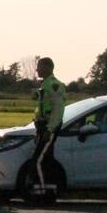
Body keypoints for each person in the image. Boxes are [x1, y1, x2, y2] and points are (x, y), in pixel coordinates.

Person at [31, 57, 66, 195]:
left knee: (37, 161)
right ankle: (50, 190)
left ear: (48, 68)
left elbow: (58, 110)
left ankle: (41, 190)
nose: (37, 69)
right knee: (47, 160)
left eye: (39, 66)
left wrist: (49, 130)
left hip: (48, 128)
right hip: (43, 127)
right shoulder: (45, 84)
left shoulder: (53, 85)